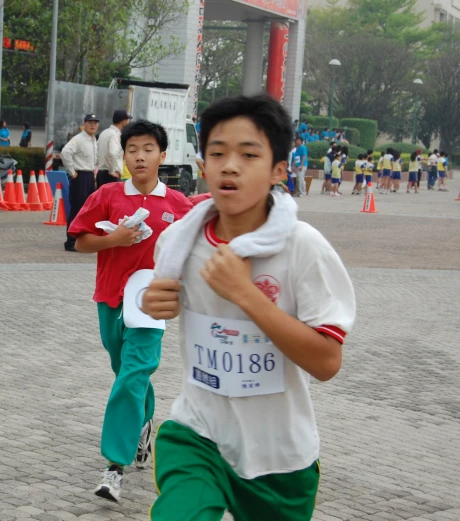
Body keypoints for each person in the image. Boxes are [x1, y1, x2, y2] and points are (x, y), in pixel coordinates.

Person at [141, 94, 356, 521]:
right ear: (203, 164)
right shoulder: (179, 242)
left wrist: (247, 295)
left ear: (280, 169)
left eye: (249, 154)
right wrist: (152, 300)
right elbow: (165, 299)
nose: (230, 165)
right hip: (198, 434)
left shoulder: (303, 248)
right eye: (217, 153)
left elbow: (327, 361)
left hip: (279, 458)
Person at [68, 120, 193, 502]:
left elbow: (195, 252)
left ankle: (113, 467)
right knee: (125, 371)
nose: (140, 156)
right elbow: (80, 243)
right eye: (133, 149)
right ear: (124, 156)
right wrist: (114, 239)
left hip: (150, 303)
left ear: (162, 156)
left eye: (148, 149)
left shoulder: (178, 206)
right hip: (110, 297)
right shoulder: (106, 194)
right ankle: (143, 421)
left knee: (132, 374)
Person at [61, 114, 100, 252]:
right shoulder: (78, 139)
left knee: (88, 209)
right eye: (90, 122)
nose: (93, 125)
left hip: (89, 175)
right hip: (80, 176)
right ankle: (70, 241)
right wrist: (71, 171)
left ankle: (83, 239)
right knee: (77, 209)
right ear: (84, 124)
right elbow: (65, 153)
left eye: (95, 123)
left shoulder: (93, 139)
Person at [96, 109, 130, 188]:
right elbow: (114, 153)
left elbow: (96, 151)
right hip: (110, 174)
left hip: (101, 172)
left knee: (102, 198)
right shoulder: (115, 134)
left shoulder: (104, 132)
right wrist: (113, 170)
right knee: (111, 199)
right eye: (127, 120)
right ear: (124, 121)